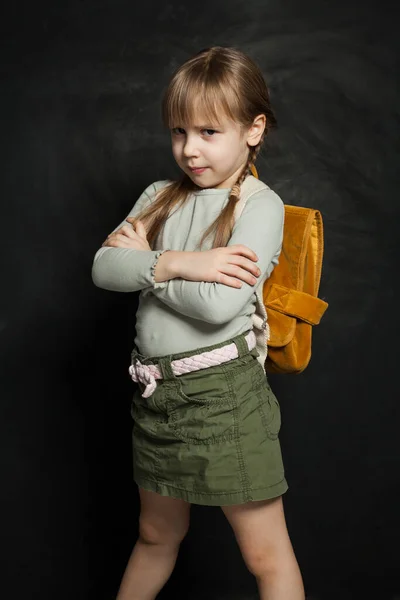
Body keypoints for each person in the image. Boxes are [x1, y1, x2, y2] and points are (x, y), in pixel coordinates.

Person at [92, 46, 305, 600]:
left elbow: (218, 308)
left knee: (264, 554)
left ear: (253, 129)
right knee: (154, 533)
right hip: (156, 394)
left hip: (223, 396)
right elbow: (103, 267)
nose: (189, 149)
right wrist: (185, 262)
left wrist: (147, 265)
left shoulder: (262, 206)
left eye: (209, 131)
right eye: (179, 132)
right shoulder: (159, 197)